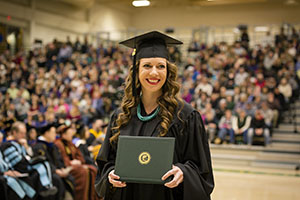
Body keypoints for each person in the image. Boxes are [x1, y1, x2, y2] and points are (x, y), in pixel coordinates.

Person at [95, 31, 214, 200]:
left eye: (160, 66)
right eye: (147, 66)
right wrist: (110, 175)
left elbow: (202, 169)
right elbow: (106, 164)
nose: (154, 73)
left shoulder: (185, 116)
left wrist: (183, 172)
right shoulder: (121, 116)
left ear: (168, 71)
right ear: (136, 70)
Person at [54, 122, 98, 200]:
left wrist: (79, 161)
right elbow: (63, 158)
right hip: (68, 167)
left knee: (93, 170)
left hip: (77, 165)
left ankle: (91, 197)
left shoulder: (71, 144)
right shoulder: (58, 144)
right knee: (84, 172)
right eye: (69, 134)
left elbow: (80, 156)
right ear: (64, 135)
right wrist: (71, 163)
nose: (72, 135)